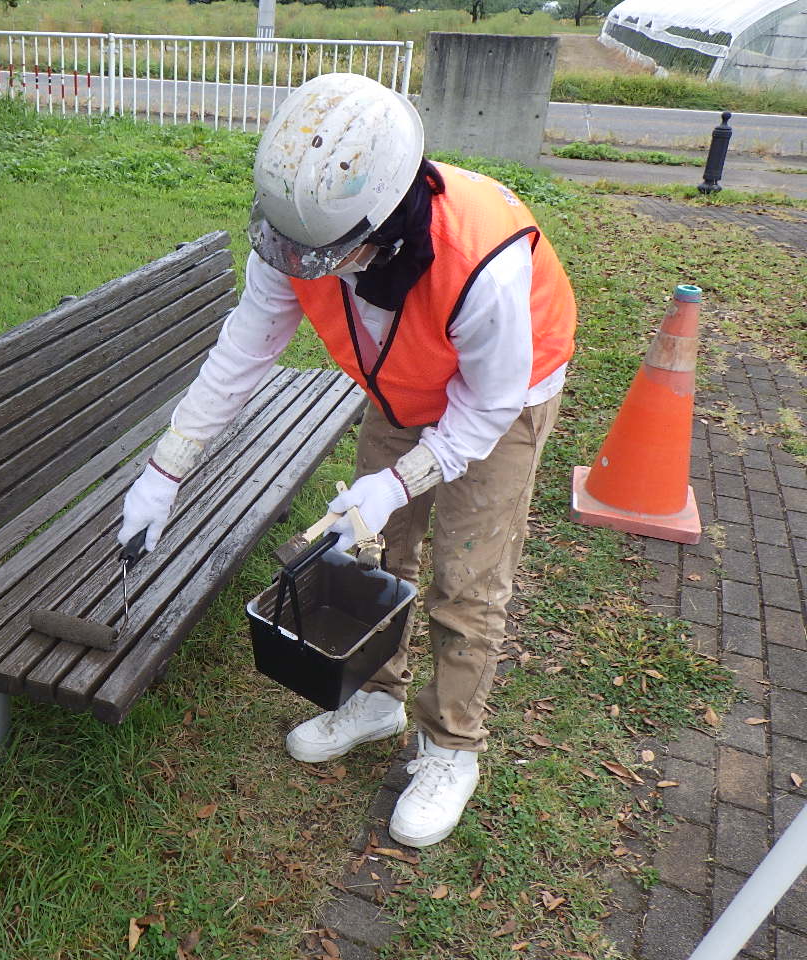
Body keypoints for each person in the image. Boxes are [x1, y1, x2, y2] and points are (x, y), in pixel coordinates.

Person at [117, 73, 577, 848]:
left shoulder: (480, 263)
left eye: (319, 255)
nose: (298, 266)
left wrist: (399, 480)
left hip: (504, 397)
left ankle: (451, 748)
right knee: (381, 552)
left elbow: (486, 409)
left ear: (387, 222)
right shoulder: (302, 236)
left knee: (467, 579)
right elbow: (243, 352)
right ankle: (377, 698)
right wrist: (165, 470)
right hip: (402, 387)